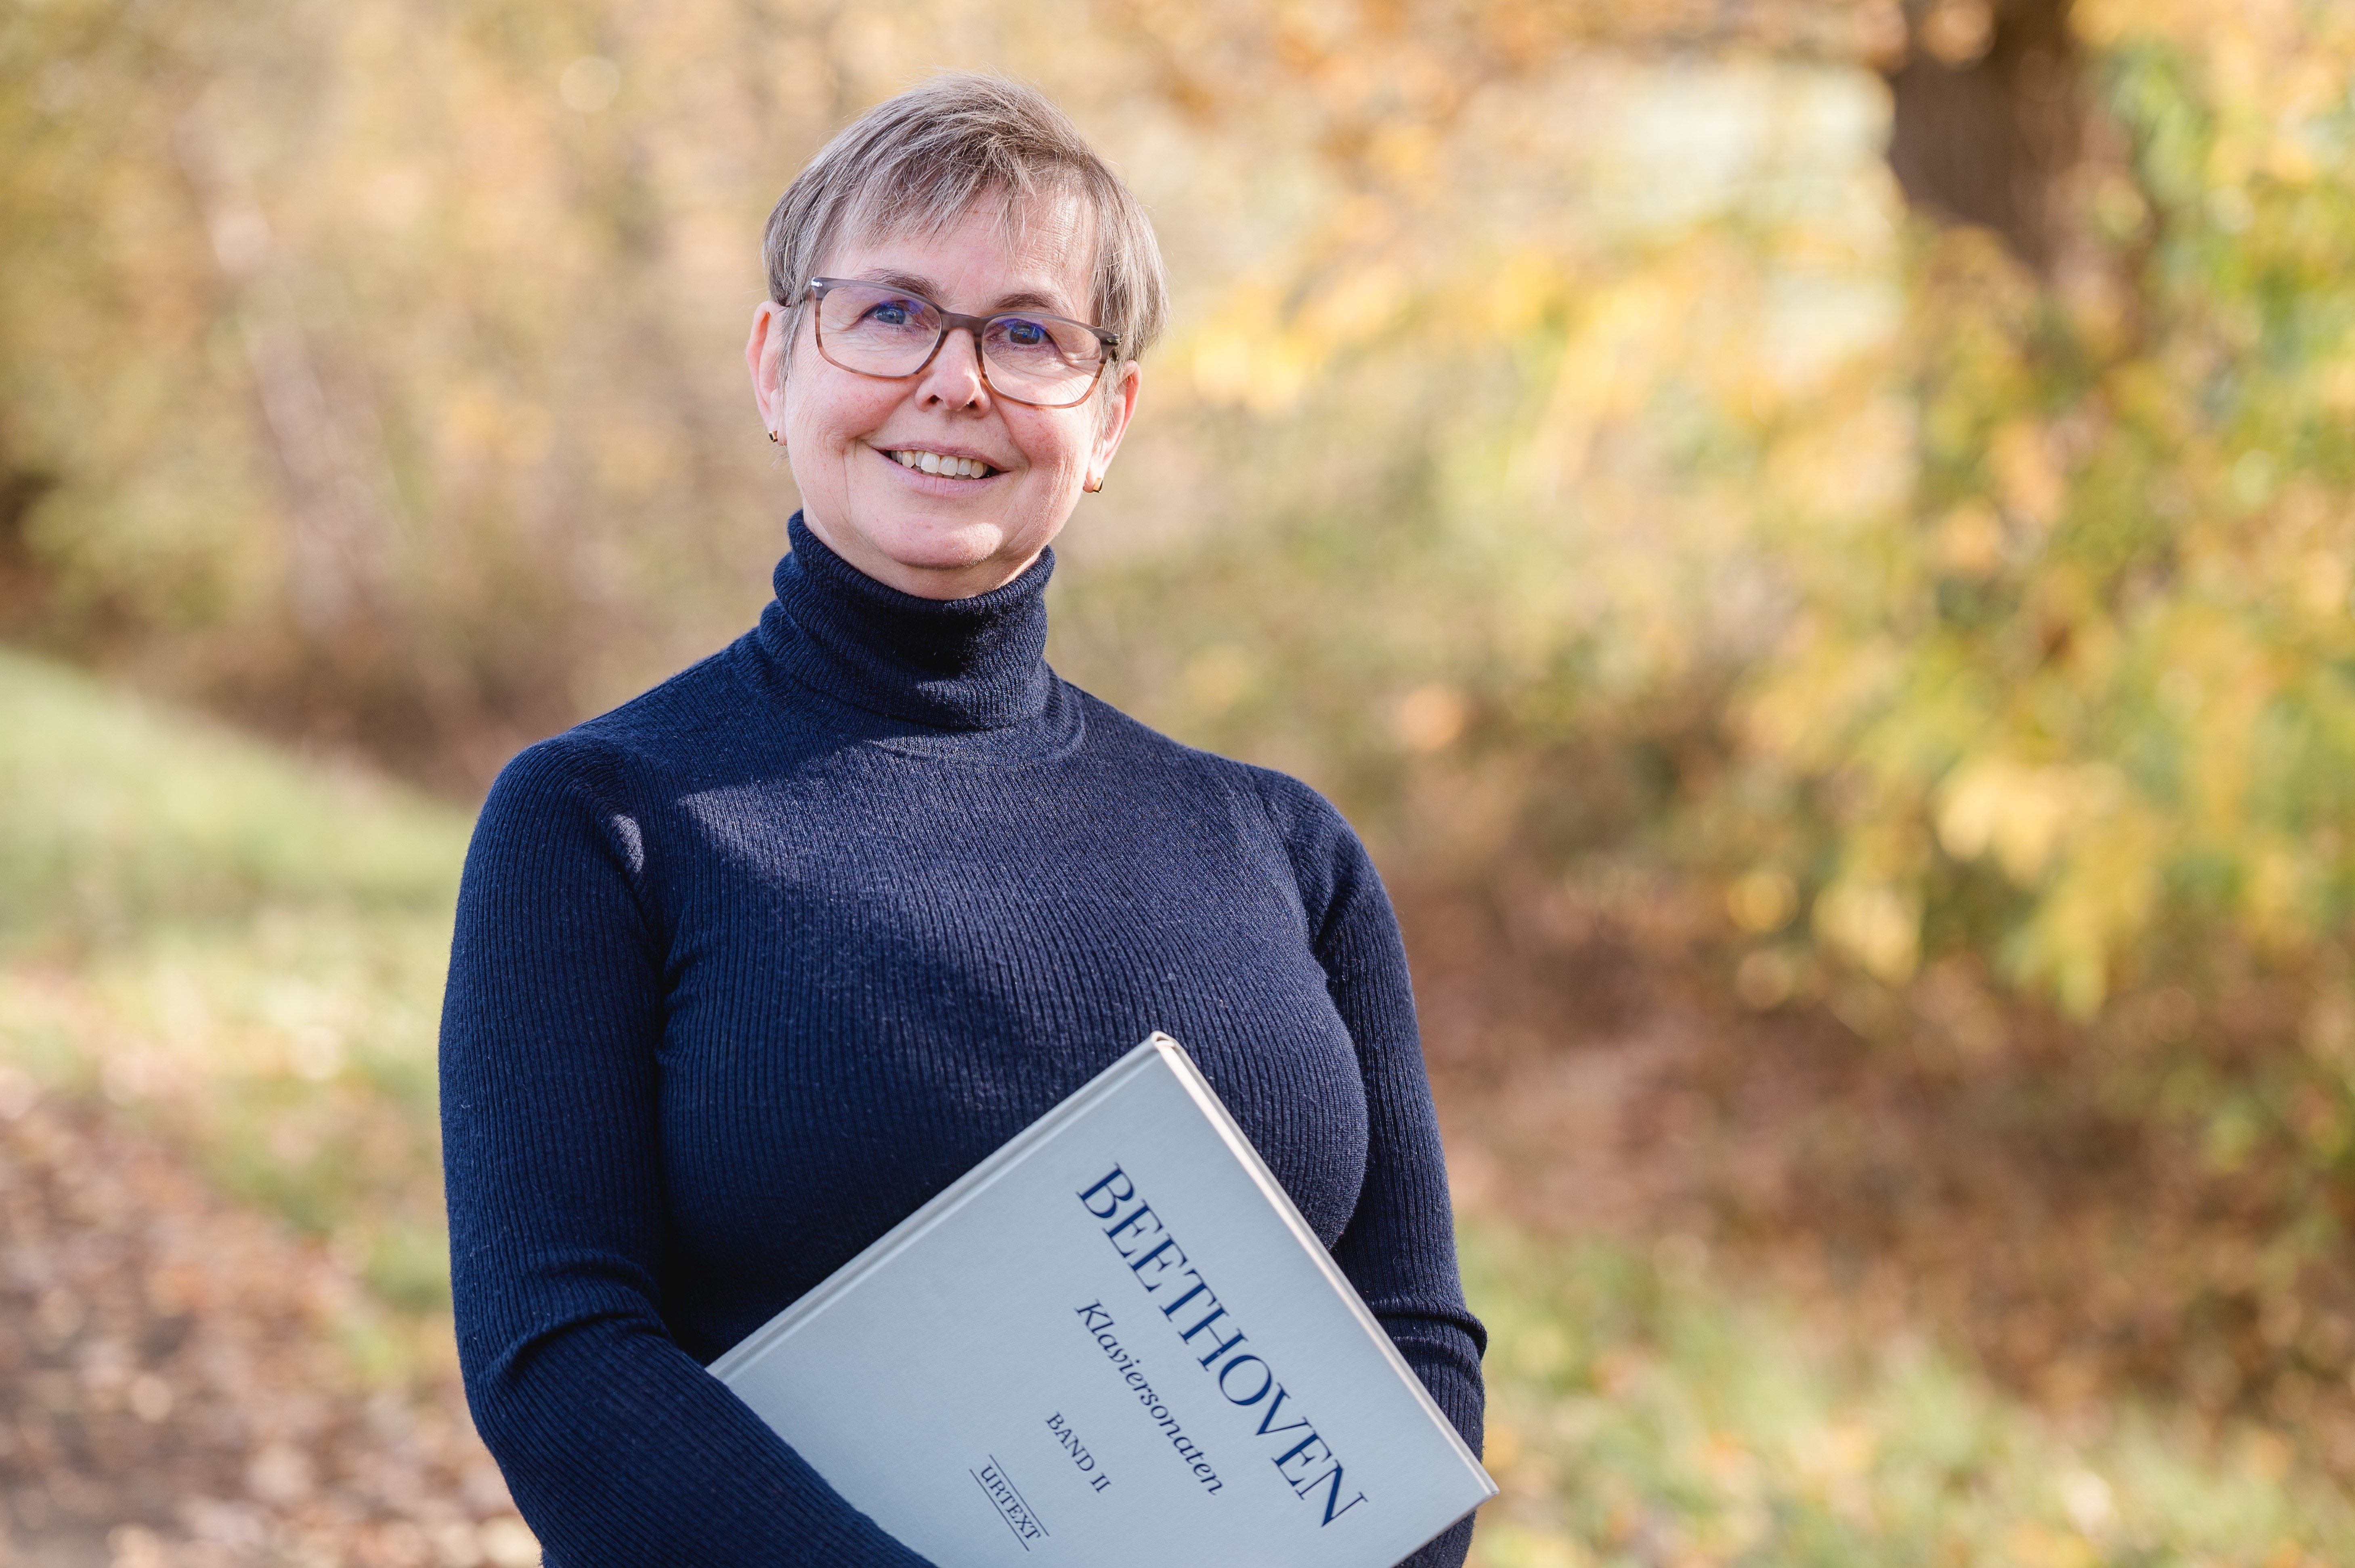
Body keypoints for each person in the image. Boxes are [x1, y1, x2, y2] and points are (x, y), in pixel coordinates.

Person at [439, 72, 1484, 1568]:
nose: (955, 380)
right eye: (886, 313)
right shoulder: (602, 821)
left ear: (1108, 414)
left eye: (1027, 333)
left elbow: (1413, 1345)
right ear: (774, 365)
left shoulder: (1289, 852)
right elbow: (558, 1355)